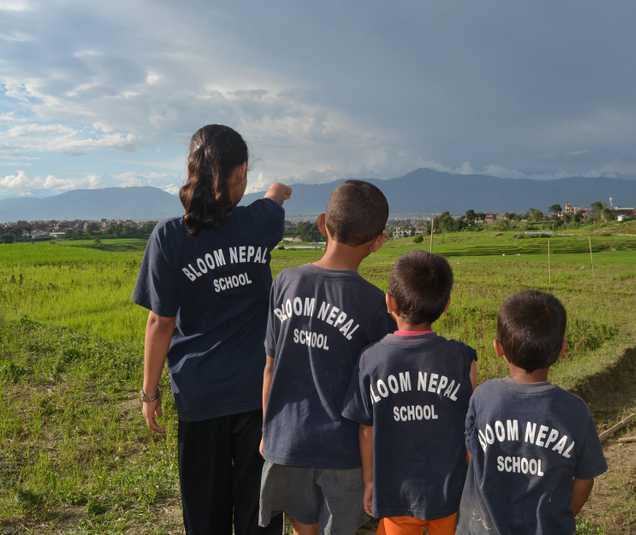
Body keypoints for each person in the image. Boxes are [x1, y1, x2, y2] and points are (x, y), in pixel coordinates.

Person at [133, 124, 291, 535]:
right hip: (259, 393)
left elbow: (160, 323)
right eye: (244, 175)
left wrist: (149, 393)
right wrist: (277, 190)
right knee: (260, 510)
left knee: (205, 513)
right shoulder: (259, 224)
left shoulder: (169, 237)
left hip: (200, 394)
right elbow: (274, 200)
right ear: (238, 176)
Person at [258, 180, 395, 535]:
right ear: (378, 242)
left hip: (289, 439)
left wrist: (267, 429)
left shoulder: (286, 283)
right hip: (344, 450)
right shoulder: (374, 305)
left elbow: (270, 366)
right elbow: (376, 395)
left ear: (322, 224)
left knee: (303, 523)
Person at [342, 251, 478, 535]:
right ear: (446, 305)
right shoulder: (463, 359)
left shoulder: (371, 360)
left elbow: (366, 429)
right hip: (449, 491)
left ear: (389, 301)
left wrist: (369, 482)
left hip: (396, 493)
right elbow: (470, 427)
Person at [456, 290, 607, 535]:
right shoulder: (574, 411)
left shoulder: (484, 397)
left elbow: (473, 458)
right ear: (563, 350)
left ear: (498, 348)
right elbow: (585, 479)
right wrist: (560, 517)